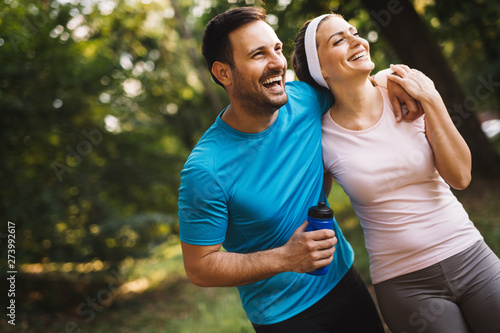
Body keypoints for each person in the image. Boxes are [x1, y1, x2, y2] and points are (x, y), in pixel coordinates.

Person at [178, 7, 418, 332]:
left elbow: (353, 83)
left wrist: (393, 87)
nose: (277, 62)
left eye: (276, 49)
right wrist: (285, 258)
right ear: (223, 73)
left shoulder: (305, 100)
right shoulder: (205, 169)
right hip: (283, 316)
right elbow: (200, 267)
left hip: (344, 279)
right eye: (258, 54)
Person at [293, 13, 500, 333]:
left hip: (471, 257)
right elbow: (307, 205)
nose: (356, 41)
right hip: (405, 285)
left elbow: (460, 176)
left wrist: (430, 97)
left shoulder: (409, 90)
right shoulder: (321, 137)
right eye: (338, 40)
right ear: (320, 70)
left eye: (354, 32)